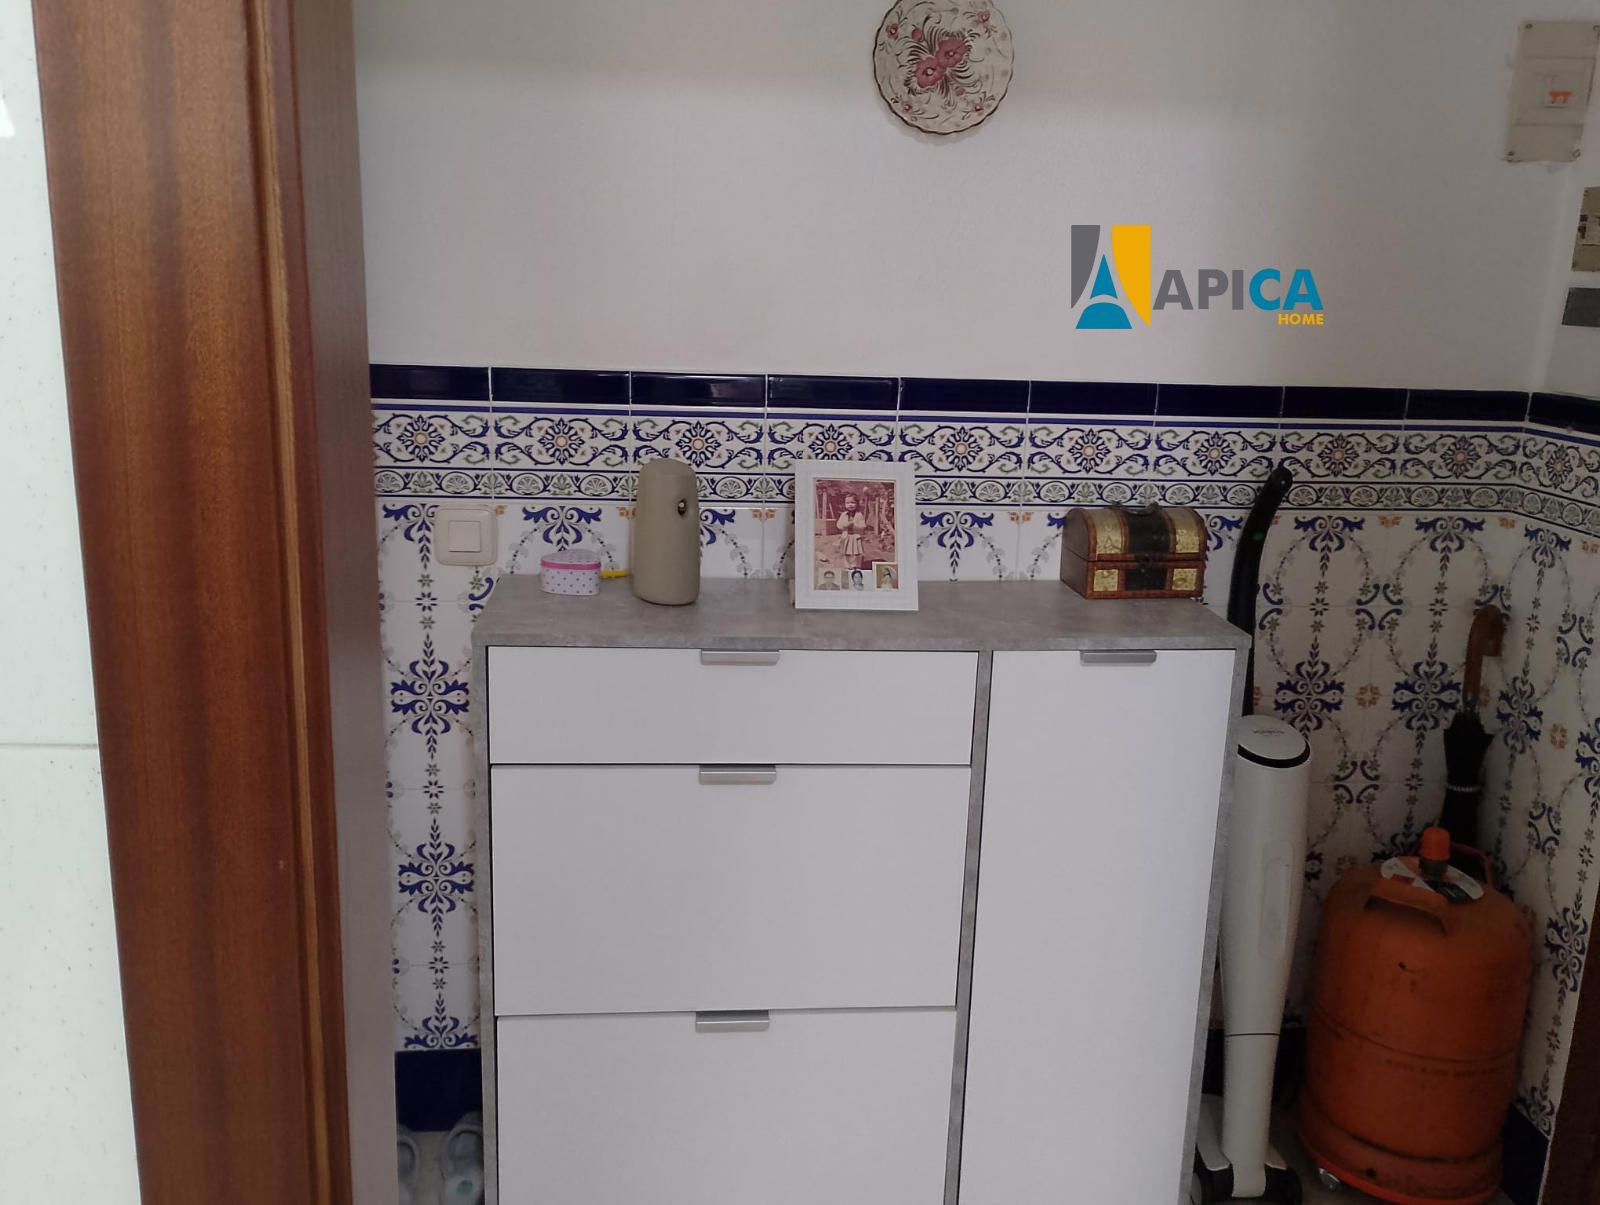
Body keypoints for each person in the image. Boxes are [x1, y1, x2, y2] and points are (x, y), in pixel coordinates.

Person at [835, 492, 867, 568]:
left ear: (857, 504)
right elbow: (838, 525)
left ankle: (856, 566)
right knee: (846, 552)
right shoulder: (843, 514)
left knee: (856, 553)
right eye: (848, 503)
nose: (850, 505)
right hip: (846, 537)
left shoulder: (859, 515)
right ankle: (847, 566)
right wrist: (845, 525)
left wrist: (855, 525)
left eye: (853, 502)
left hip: (855, 537)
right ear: (845, 504)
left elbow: (863, 526)